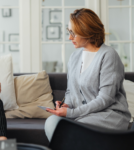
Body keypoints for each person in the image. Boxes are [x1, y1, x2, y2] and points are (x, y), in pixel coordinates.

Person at [44, 8, 131, 141]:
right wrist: (67, 105)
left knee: (74, 128)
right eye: (69, 32)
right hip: (83, 116)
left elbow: (105, 99)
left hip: (107, 115)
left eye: (73, 33)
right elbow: (70, 92)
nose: (69, 37)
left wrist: (71, 113)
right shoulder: (74, 57)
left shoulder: (108, 55)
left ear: (87, 32)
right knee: (51, 122)